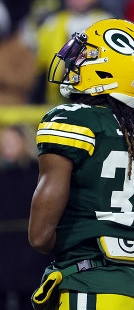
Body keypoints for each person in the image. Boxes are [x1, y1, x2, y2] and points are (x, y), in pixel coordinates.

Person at [28, 18, 134, 310]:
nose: (74, 61)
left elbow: (39, 235)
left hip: (84, 283)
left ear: (110, 68)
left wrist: (77, 243)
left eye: (86, 55)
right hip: (126, 290)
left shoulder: (71, 119)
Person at [0, 125, 51, 310]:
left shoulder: (37, 174)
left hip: (30, 251)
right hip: (4, 250)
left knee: (30, 298)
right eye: (4, 142)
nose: (7, 146)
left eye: (12, 141)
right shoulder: (2, 175)